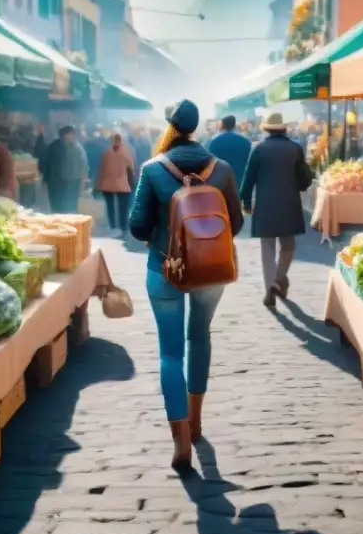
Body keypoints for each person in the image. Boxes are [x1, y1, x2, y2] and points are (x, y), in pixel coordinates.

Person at [128, 99, 244, 470]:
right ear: (197, 128)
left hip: (164, 267)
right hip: (211, 270)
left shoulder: (153, 168)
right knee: (200, 338)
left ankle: (180, 441)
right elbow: (236, 223)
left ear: (170, 126)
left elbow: (136, 225)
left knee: (169, 353)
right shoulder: (221, 169)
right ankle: (196, 423)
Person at [240, 112, 314, 306]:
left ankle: (270, 286)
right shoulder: (295, 148)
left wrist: (246, 201)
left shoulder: (259, 149)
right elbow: (303, 181)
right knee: (288, 246)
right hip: (289, 204)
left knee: (267, 247)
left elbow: (249, 178)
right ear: (285, 128)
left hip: (265, 204)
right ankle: (280, 278)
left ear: (266, 129)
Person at [95, 133, 134, 235]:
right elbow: (131, 169)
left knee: (110, 206)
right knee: (123, 206)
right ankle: (123, 226)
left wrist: (97, 185)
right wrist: (132, 183)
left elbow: (101, 170)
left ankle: (113, 226)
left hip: (107, 183)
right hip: (122, 183)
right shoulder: (126, 152)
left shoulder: (106, 152)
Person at [44, 126, 88, 214]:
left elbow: (83, 165)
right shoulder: (53, 147)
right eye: (65, 135)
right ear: (61, 135)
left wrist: (83, 179)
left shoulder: (78, 148)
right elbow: (46, 163)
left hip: (72, 181)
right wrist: (46, 179)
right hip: (56, 182)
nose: (67, 137)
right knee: (57, 206)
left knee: (70, 206)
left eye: (70, 135)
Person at [208, 115, 252, 188]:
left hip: (219, 183)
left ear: (222, 125)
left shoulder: (213, 141)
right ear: (234, 125)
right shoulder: (246, 142)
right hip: (239, 182)